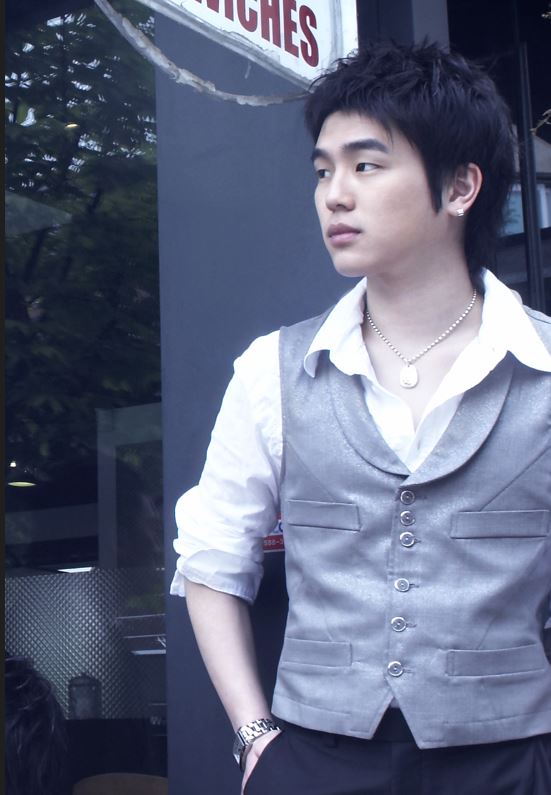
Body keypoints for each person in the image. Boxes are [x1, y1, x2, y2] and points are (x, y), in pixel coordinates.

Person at [171, 41, 551, 794]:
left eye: (366, 165)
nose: (334, 196)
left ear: (460, 185)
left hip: (510, 760)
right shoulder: (273, 369)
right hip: (315, 761)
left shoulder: (541, 366)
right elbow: (210, 559)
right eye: (323, 171)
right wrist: (254, 736)